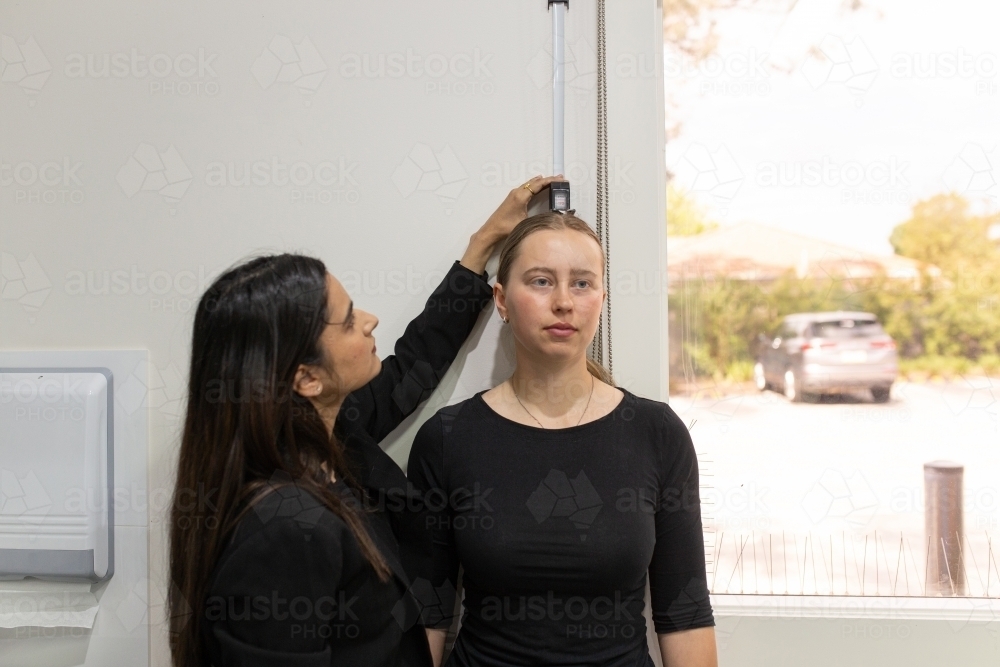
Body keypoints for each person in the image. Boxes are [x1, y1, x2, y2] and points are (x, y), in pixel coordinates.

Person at [166, 175, 564, 667]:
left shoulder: (331, 440)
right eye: (350, 318)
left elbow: (410, 370)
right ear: (306, 378)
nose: (371, 319)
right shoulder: (281, 529)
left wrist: (480, 248)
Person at [407, 212, 718, 667]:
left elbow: (686, 615)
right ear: (501, 300)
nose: (563, 302)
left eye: (581, 284)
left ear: (601, 299)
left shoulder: (656, 433)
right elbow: (427, 617)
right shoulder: (448, 437)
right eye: (539, 281)